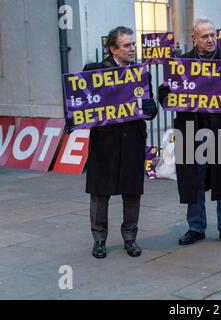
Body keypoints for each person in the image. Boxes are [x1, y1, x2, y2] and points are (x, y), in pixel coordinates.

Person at [158, 18, 221, 246]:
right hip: (191, 131)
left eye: (213, 35)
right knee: (193, 179)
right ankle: (196, 227)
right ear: (194, 38)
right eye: (205, 36)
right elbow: (166, 96)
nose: (210, 40)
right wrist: (165, 92)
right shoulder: (180, 63)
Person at [82, 26, 158, 259]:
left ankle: (130, 238)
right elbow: (82, 103)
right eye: (127, 45)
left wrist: (149, 108)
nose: (133, 49)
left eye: (133, 44)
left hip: (133, 141)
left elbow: (151, 107)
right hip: (105, 144)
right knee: (100, 193)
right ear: (113, 49)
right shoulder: (94, 71)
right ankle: (99, 240)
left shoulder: (142, 72)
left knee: (132, 192)